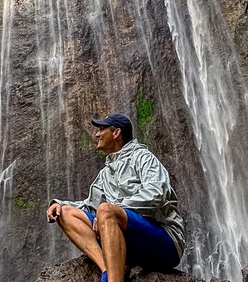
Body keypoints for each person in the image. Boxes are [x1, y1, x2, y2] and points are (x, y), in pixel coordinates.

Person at [46, 113, 186, 282]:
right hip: (130, 244)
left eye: (101, 129)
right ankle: (108, 271)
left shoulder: (143, 158)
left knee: (106, 210)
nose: (97, 134)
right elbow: (90, 206)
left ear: (116, 133)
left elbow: (157, 193)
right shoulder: (106, 173)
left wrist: (116, 209)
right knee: (67, 213)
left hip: (165, 240)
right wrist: (60, 204)